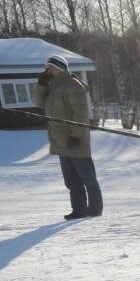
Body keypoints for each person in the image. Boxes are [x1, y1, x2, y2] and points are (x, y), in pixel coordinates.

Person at [36, 54, 102, 220]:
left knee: (88, 178)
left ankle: (94, 209)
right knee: (71, 180)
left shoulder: (73, 85)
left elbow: (81, 114)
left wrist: (76, 135)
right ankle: (78, 210)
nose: (48, 70)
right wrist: (41, 85)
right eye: (47, 67)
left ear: (60, 67)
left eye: (50, 67)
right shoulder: (53, 86)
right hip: (60, 140)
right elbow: (39, 104)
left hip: (76, 140)